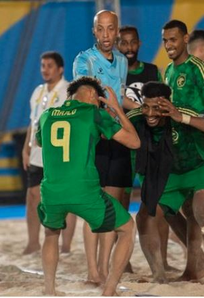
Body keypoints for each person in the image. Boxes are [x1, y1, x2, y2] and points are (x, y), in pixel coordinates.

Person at [36, 76, 139, 296]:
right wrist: (117, 110)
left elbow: (38, 141)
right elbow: (134, 142)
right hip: (83, 190)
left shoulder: (47, 116)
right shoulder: (95, 113)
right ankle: (109, 290)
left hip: (51, 191)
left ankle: (49, 290)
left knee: (51, 234)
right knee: (127, 228)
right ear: (93, 95)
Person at [72, 10, 137, 282]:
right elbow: (85, 99)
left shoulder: (122, 61)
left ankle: (104, 267)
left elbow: (119, 98)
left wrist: (143, 109)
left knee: (110, 205)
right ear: (94, 31)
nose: (106, 35)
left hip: (117, 137)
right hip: (95, 139)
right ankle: (92, 271)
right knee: (92, 205)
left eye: (111, 29)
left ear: (117, 30)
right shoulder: (83, 60)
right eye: (101, 29)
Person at [161, 19, 204, 282]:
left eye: (173, 39)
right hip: (178, 159)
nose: (169, 45)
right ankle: (196, 265)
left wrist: (184, 116)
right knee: (163, 207)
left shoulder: (199, 69)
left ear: (185, 39)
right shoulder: (167, 72)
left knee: (200, 209)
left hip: (201, 155)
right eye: (165, 40)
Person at [117, 25, 178, 274]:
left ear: (140, 44)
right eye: (124, 43)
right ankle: (125, 262)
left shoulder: (153, 72)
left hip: (149, 144)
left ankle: (161, 261)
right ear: (118, 45)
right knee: (120, 205)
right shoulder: (114, 72)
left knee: (158, 204)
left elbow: (164, 103)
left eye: (133, 43)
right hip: (122, 144)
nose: (129, 48)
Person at [21, 51, 76, 255]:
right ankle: (33, 242)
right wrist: (26, 148)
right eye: (43, 65)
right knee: (33, 196)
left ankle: (66, 246)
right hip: (37, 154)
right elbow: (32, 122)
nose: (45, 69)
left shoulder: (68, 91)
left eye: (50, 65)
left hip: (60, 155)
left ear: (60, 69)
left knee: (66, 200)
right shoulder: (37, 92)